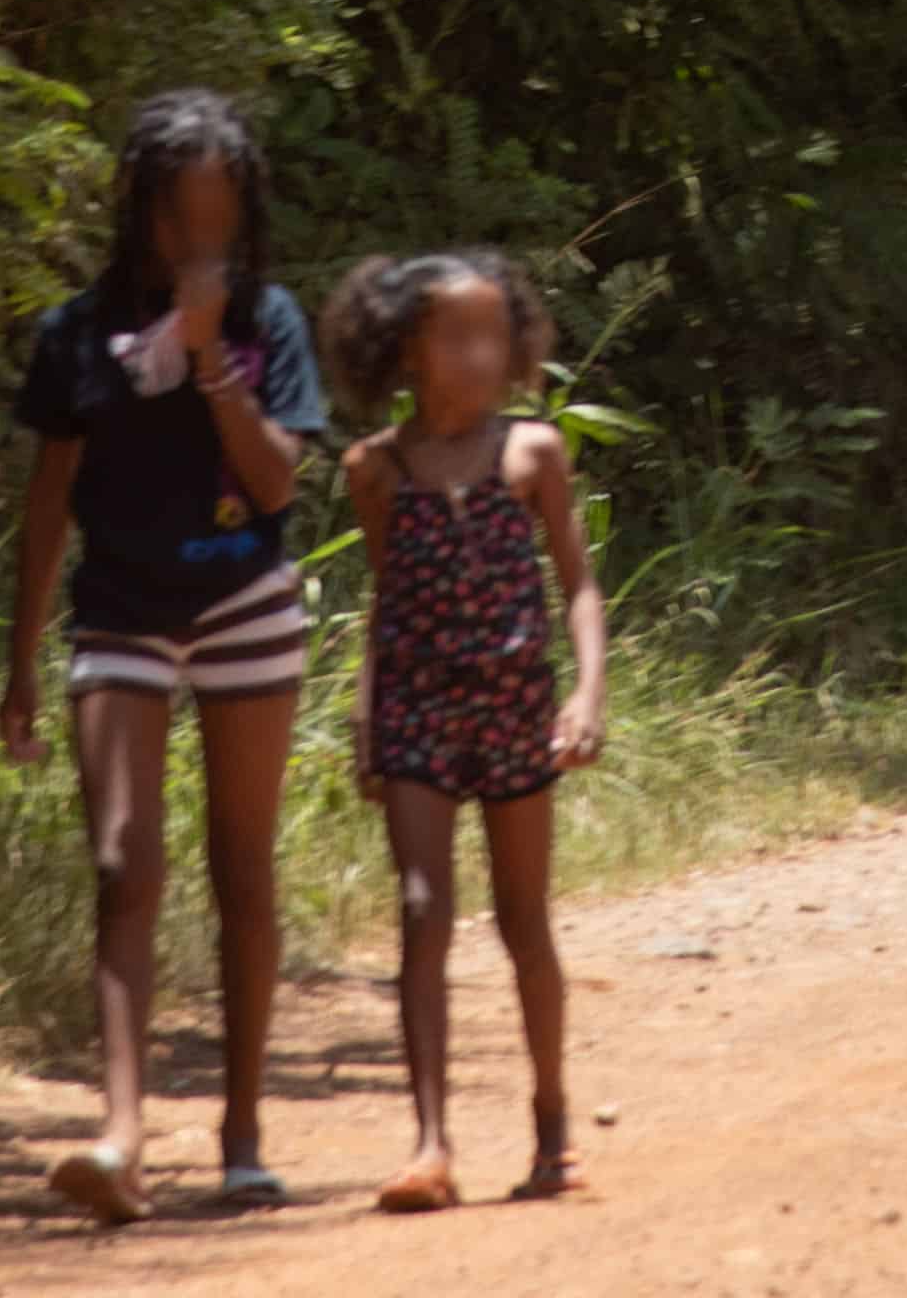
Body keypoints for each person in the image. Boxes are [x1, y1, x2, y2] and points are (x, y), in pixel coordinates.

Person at [2, 88, 327, 1224]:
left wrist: (210, 361)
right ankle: (123, 1134)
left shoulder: (271, 319)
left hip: (244, 596)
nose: (198, 241)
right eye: (176, 217)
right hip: (119, 610)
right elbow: (48, 504)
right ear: (137, 211)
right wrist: (18, 664)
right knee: (122, 862)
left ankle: (242, 1137)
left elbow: (281, 479)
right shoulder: (75, 332)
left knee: (243, 862)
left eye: (217, 218)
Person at [322, 246, 608, 1212]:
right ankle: (430, 1143)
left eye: (493, 334)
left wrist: (587, 696)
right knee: (420, 913)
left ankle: (552, 1127)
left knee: (526, 920)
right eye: (455, 338)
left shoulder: (533, 454)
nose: (479, 354)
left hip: (515, 703)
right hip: (413, 708)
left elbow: (578, 585)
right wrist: (366, 721)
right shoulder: (376, 470)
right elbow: (384, 600)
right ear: (408, 350)